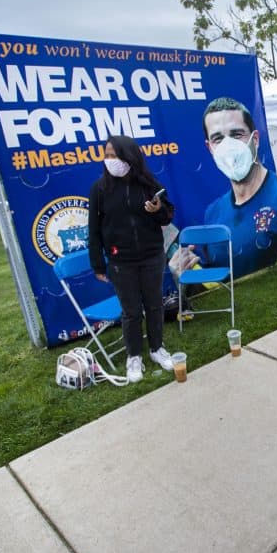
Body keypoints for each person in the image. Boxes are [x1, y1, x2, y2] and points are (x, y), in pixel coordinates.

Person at [89, 135, 177, 383]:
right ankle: (134, 356)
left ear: (129, 156)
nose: (109, 160)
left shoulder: (149, 184)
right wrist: (97, 263)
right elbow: (94, 229)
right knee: (131, 312)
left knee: (154, 305)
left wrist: (156, 209)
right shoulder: (99, 189)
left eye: (114, 154)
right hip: (120, 261)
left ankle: (157, 349)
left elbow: (167, 216)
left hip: (151, 256)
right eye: (106, 155)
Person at [202, 97, 277, 278]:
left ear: (255, 139)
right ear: (210, 148)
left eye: (237, 134)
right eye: (218, 139)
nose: (228, 146)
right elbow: (216, 275)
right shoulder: (213, 213)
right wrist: (185, 272)